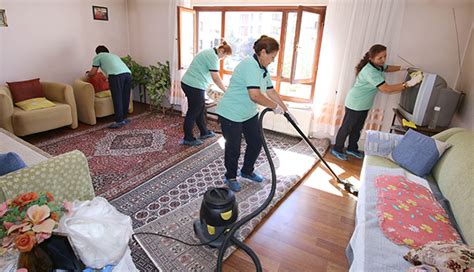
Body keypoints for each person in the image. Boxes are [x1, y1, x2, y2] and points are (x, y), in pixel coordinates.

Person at [216, 35, 294, 192]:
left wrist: (285, 109)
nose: (272, 61)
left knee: (256, 142)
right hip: (231, 112)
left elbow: (271, 91)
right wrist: (274, 107)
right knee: (234, 147)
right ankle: (230, 176)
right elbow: (255, 95)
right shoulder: (250, 65)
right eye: (272, 57)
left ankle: (247, 170)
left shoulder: (262, 68)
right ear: (263, 52)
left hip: (249, 113)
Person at [331, 44, 423, 160]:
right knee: (347, 128)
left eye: (385, 56)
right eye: (380, 58)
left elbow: (387, 67)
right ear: (371, 58)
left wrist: (403, 68)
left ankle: (351, 148)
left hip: (363, 104)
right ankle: (336, 149)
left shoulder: (377, 65)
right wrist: (408, 84)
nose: (383, 60)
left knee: (357, 128)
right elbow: (386, 89)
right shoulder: (370, 71)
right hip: (355, 103)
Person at [180, 41, 232, 146]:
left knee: (200, 108)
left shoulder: (209, 53)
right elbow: (216, 77)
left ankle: (204, 132)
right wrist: (225, 90)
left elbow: (210, 75)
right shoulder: (212, 57)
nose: (223, 59)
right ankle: (188, 138)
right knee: (193, 111)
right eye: (224, 56)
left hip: (190, 83)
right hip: (193, 85)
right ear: (221, 51)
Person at [87, 45, 132, 129]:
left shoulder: (98, 56)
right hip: (127, 74)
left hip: (116, 76)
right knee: (125, 96)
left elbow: (93, 72)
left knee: (117, 97)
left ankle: (119, 121)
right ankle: (124, 118)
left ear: (97, 52)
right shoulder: (114, 56)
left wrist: (88, 74)